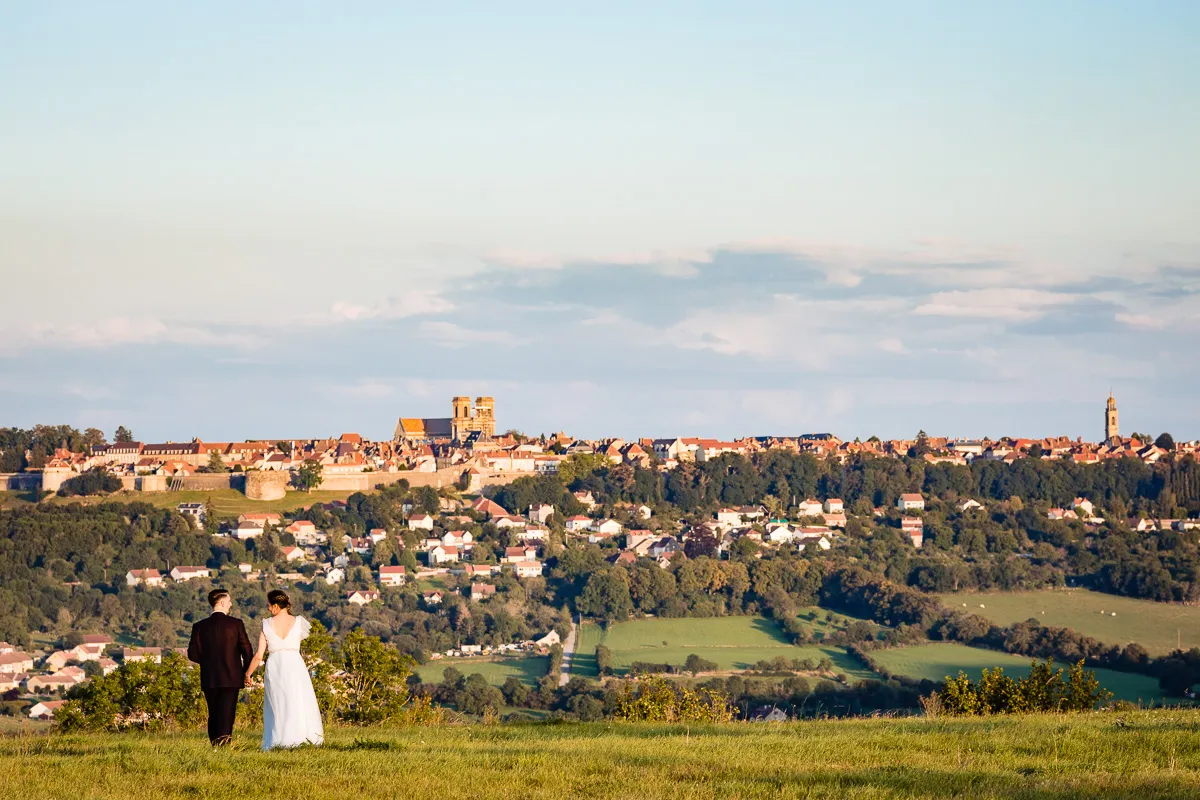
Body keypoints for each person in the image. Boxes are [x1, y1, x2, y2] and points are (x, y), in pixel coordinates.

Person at [244, 589, 324, 750]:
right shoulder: (299, 621)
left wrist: (247, 673)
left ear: (275, 606)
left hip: (275, 664)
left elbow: (259, 655)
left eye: (268, 604)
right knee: (298, 701)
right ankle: (302, 738)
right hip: (295, 663)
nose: (267, 608)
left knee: (278, 704)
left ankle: (279, 740)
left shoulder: (266, 624)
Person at [187, 589, 254, 746]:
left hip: (209, 676)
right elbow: (247, 649)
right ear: (222, 603)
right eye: (229, 601)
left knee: (214, 713)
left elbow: (192, 654)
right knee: (227, 712)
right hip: (232, 675)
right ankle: (223, 744)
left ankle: (215, 745)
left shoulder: (199, 626)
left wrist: (207, 662)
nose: (231, 603)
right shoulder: (236, 624)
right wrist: (246, 672)